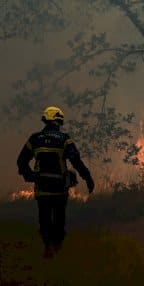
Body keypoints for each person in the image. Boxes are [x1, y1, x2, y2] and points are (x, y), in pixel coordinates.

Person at [16, 106, 95, 257]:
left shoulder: (34, 139)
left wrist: (29, 176)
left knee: (44, 218)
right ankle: (57, 248)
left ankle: (47, 247)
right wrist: (88, 178)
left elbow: (21, 161)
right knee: (59, 219)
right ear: (59, 120)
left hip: (41, 187)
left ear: (45, 120)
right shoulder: (65, 139)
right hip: (60, 188)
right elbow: (76, 161)